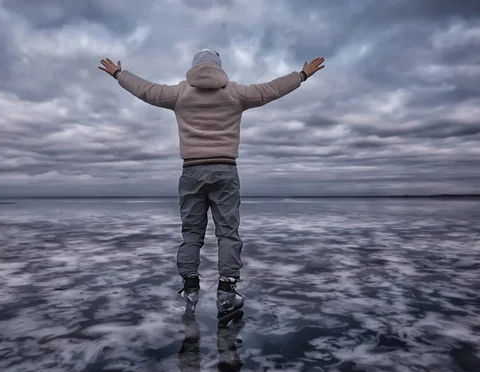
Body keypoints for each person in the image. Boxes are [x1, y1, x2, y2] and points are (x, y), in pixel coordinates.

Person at [98, 49, 325, 319]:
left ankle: (190, 289)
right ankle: (227, 293)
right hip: (225, 171)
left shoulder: (180, 94)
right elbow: (271, 89)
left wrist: (119, 74)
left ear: (194, 67)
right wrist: (301, 75)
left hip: (192, 172)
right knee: (228, 233)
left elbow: (145, 90)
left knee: (192, 233)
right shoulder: (235, 93)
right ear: (219, 67)